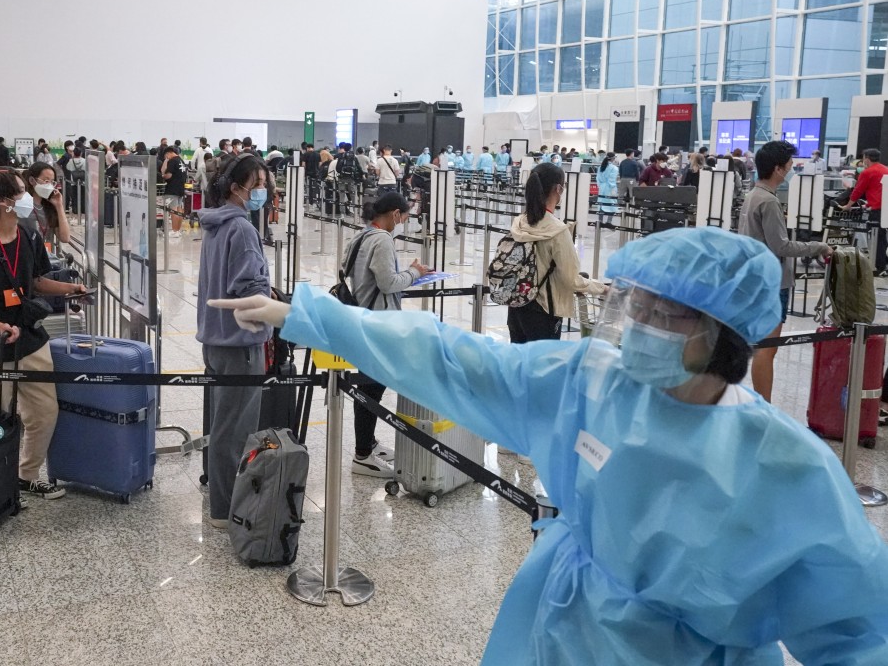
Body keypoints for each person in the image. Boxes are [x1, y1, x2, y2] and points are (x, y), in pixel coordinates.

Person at [210, 225, 888, 665]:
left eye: (665, 313)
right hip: (559, 628)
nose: (641, 326)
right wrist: (314, 318)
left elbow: (857, 631)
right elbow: (453, 358)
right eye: (637, 307)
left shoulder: (783, 466)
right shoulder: (589, 381)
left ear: (726, 333)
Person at [0, 168, 90, 500]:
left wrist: (72, 288)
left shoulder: (30, 237)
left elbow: (37, 282)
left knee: (45, 411)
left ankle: (26, 475)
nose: (28, 198)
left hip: (30, 338)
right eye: (21, 192)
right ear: (4, 202)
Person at [196, 152, 272, 529]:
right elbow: (249, 289)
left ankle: (219, 496)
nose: (262, 191)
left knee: (220, 425)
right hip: (239, 343)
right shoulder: (241, 228)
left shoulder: (214, 224)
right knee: (235, 432)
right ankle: (224, 510)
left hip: (215, 339)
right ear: (236, 187)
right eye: (257, 184)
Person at [341, 192, 430, 477]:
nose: (404, 222)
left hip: (362, 318)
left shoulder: (362, 235)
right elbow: (388, 283)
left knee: (371, 386)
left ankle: (369, 442)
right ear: (394, 214)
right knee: (371, 389)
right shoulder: (382, 240)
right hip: (378, 323)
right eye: (404, 217)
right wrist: (414, 273)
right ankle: (362, 454)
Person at [738, 140, 831, 403]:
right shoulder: (768, 201)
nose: (792, 169)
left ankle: (760, 403)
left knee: (763, 348)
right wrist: (819, 246)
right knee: (767, 349)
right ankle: (764, 407)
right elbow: (782, 245)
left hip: (756, 279)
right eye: (789, 165)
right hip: (772, 283)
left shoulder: (752, 196)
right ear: (778, 169)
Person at [509, 163, 606, 347]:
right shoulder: (558, 231)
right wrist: (602, 288)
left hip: (517, 305)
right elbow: (571, 279)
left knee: (518, 366)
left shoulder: (519, 222)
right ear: (559, 189)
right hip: (544, 311)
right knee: (543, 369)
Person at [842, 149, 888, 275]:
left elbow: (858, 191)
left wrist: (848, 205)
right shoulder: (886, 169)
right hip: (884, 209)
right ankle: (883, 263)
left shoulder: (867, 172)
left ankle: (878, 266)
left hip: (876, 210)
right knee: (882, 237)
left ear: (867, 158)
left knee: (876, 237)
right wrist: (868, 203)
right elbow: (878, 191)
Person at [24, 162, 69, 243]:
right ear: (32, 180)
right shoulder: (21, 205)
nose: (50, 185)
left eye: (52, 182)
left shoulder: (50, 207)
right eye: (46, 180)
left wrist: (59, 206)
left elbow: (65, 238)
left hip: (46, 253)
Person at [159, 146, 187, 238]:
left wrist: (163, 176)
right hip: (180, 188)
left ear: (168, 153)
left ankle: (174, 231)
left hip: (172, 188)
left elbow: (168, 175)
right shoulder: (181, 160)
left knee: (173, 210)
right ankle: (178, 230)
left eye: (166, 156)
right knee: (179, 209)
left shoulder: (172, 161)